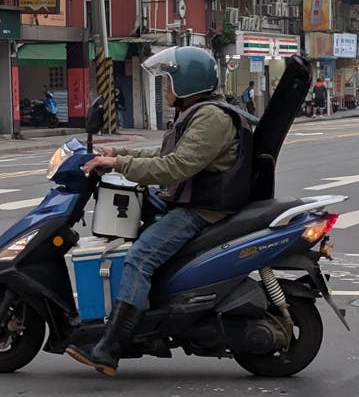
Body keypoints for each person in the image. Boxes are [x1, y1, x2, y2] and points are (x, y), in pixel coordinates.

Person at [65, 44, 255, 376]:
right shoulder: (198, 112)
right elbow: (165, 152)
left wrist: (119, 164)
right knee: (130, 212)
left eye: (169, 81)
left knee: (141, 256)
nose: (165, 88)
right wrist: (116, 153)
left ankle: (111, 346)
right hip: (186, 196)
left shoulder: (211, 117)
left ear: (188, 83)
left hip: (200, 208)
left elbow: (175, 167)